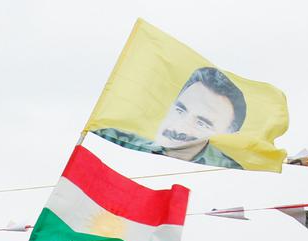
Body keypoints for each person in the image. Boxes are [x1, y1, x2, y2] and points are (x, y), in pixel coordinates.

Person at [96, 66, 247, 168]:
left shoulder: (224, 174)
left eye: (202, 124)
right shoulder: (112, 139)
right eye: (180, 111)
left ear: (226, 137)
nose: (178, 128)